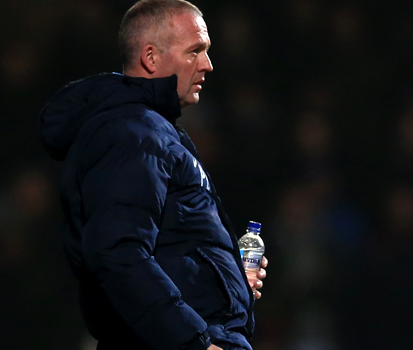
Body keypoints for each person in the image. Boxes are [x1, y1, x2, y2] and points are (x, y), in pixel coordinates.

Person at [38, 1, 266, 349]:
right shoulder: (133, 132)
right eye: (195, 51)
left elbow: (166, 245)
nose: (208, 64)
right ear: (151, 57)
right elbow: (117, 251)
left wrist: (225, 276)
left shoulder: (151, 129)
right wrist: (195, 341)